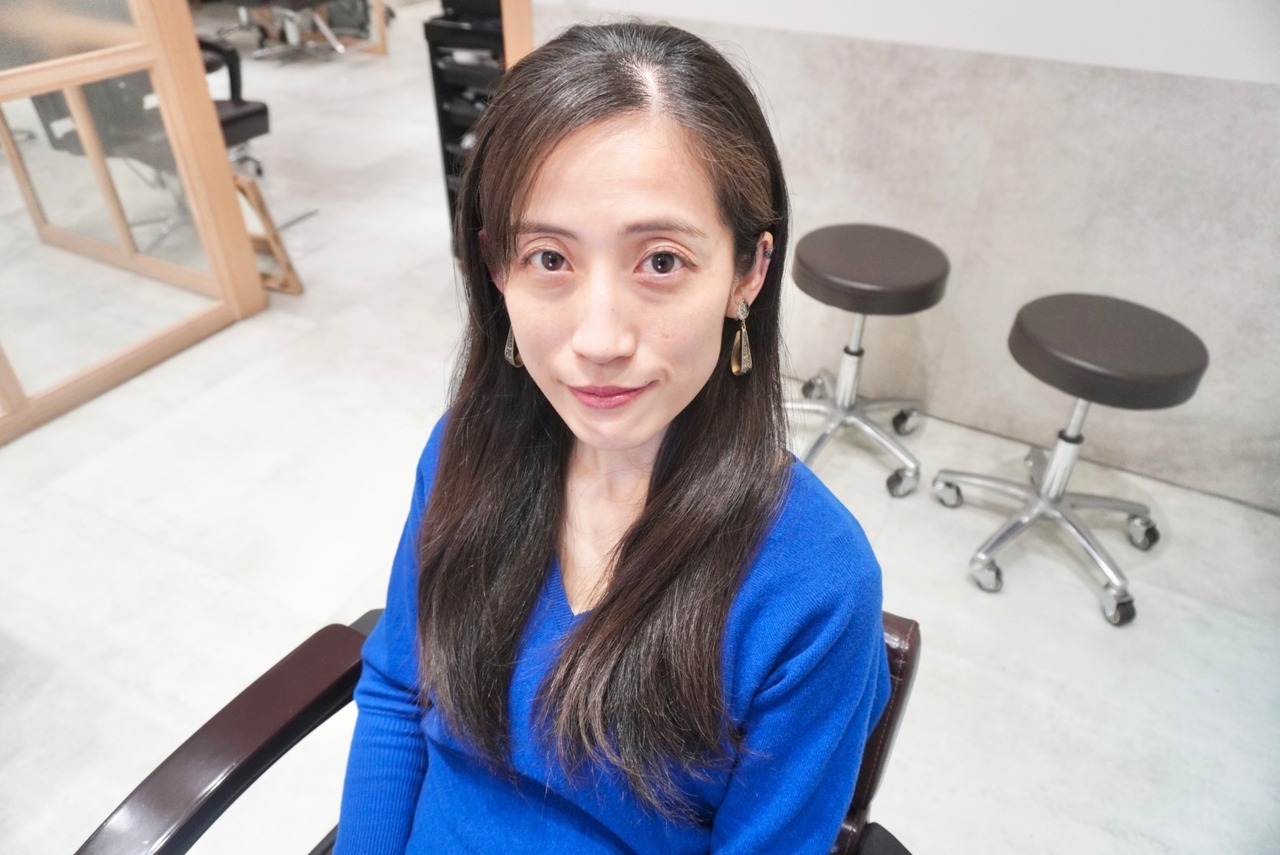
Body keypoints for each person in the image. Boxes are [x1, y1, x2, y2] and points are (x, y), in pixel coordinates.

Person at [336, 21, 891, 854]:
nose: (598, 339)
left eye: (660, 261)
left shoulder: (814, 586)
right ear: (497, 267)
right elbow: (395, 694)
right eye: (549, 258)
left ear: (748, 271)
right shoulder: (464, 453)